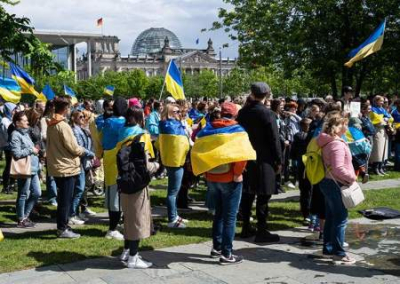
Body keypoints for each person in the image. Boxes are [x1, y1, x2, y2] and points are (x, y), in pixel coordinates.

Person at [200, 102, 254, 264]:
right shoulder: (238, 131)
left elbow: (200, 150)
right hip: (230, 178)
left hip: (212, 177)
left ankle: (216, 248)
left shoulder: (208, 129)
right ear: (235, 114)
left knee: (219, 215)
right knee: (230, 217)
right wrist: (237, 173)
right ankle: (227, 253)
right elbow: (241, 155)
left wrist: (205, 171)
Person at [237, 82, 282, 243]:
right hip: (264, 159)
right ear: (267, 95)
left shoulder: (242, 113)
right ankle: (261, 229)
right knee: (263, 196)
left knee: (248, 194)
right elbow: (274, 139)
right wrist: (279, 160)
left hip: (246, 157)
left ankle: (246, 227)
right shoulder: (268, 114)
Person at [118, 107, 159, 269]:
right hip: (137, 183)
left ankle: (126, 251)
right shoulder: (142, 135)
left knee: (128, 217)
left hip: (123, 179)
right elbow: (146, 164)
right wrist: (157, 165)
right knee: (138, 219)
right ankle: (133, 257)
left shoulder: (121, 132)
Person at [47, 97, 93, 239]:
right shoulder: (63, 125)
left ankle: (64, 225)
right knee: (65, 200)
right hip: (66, 166)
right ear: (65, 109)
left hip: (58, 165)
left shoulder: (51, 123)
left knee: (63, 199)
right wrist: (87, 152)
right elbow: (73, 147)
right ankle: (62, 228)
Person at [317, 114, 356, 264]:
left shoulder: (327, 141)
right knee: (340, 218)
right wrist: (351, 178)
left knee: (331, 217)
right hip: (336, 183)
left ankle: (328, 249)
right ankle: (339, 253)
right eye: (345, 124)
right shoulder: (337, 144)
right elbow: (338, 168)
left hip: (328, 182)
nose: (347, 127)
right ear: (338, 127)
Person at [157, 103, 190, 228]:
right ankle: (172, 219)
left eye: (179, 111)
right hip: (175, 162)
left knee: (174, 191)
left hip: (175, 160)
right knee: (173, 192)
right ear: (169, 113)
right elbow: (181, 143)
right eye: (175, 111)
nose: (178, 113)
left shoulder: (170, 124)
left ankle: (175, 215)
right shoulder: (169, 126)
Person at [101, 98, 128, 240]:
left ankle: (114, 226)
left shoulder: (107, 121)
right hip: (118, 160)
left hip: (108, 159)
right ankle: (112, 228)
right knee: (117, 196)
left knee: (113, 194)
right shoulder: (123, 123)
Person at [10, 111, 41, 228]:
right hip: (24, 169)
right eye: (24, 120)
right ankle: (21, 219)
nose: (27, 121)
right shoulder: (15, 135)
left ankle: (25, 216)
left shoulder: (26, 133)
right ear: (17, 123)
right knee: (23, 194)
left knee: (37, 193)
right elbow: (16, 153)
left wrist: (36, 151)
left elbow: (31, 148)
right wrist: (31, 150)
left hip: (33, 168)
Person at [69, 110, 95, 225]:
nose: (83, 118)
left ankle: (77, 212)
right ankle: (72, 214)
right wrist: (91, 154)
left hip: (84, 162)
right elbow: (80, 147)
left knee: (82, 188)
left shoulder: (82, 129)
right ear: (74, 118)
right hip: (78, 162)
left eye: (84, 116)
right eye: (80, 117)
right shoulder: (75, 130)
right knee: (79, 188)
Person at [369, 95, 393, 175]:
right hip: (377, 130)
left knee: (383, 150)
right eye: (381, 101)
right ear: (376, 101)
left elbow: (390, 118)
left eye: (383, 101)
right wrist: (382, 119)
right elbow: (373, 120)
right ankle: (375, 168)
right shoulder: (372, 109)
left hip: (384, 130)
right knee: (377, 150)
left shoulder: (382, 109)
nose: (382, 103)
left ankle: (380, 167)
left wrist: (386, 119)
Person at [1, 102, 16, 194]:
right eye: (13, 109)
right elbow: (6, 134)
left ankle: (11, 184)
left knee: (12, 166)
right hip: (8, 146)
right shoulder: (4, 121)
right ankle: (6, 186)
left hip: (11, 145)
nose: (15, 111)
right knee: (9, 166)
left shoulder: (10, 119)